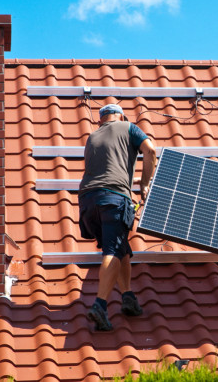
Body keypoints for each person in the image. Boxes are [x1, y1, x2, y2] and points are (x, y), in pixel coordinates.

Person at [78, 104, 157, 331]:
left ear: (101, 120)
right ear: (121, 116)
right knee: (112, 250)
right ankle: (100, 306)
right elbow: (150, 151)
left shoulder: (92, 136)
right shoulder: (129, 127)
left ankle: (128, 297)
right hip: (113, 198)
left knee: (120, 245)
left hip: (87, 202)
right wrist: (144, 185)